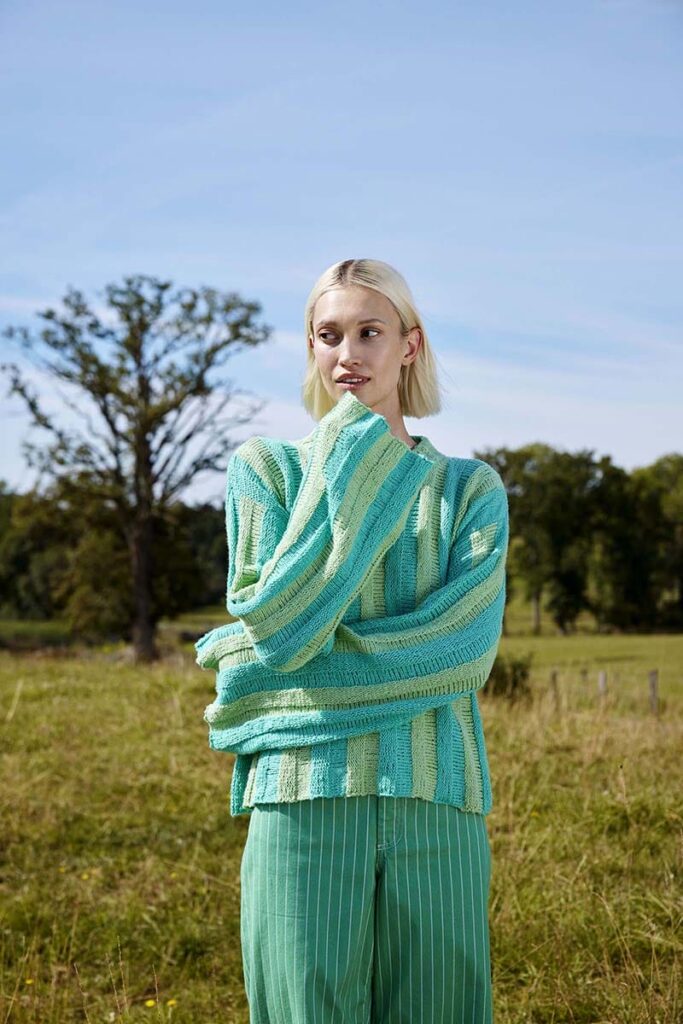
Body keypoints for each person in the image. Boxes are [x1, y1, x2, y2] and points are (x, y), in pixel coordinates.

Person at [197, 257, 509, 1022]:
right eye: (328, 335)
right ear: (310, 348)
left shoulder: (469, 489)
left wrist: (253, 684)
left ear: (409, 345)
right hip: (299, 793)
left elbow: (461, 652)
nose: (348, 354)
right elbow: (282, 629)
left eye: (370, 332)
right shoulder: (266, 472)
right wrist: (346, 450)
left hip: (436, 794)